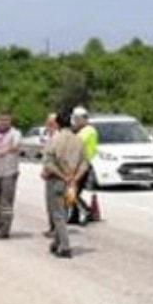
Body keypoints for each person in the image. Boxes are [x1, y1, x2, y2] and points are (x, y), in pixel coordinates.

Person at [42, 110, 88, 258]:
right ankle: (56, 243)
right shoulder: (79, 141)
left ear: (58, 123)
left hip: (57, 181)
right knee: (65, 212)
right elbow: (85, 163)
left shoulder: (54, 140)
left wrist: (63, 176)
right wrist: (74, 178)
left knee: (58, 215)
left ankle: (65, 246)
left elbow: (48, 163)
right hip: (72, 183)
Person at [70, 106, 99, 225]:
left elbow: (75, 143)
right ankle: (74, 215)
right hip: (79, 164)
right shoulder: (83, 131)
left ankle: (85, 211)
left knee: (72, 192)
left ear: (84, 118)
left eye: (77, 119)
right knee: (73, 191)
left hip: (82, 165)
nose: (75, 121)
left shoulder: (88, 130)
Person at [40, 113, 60, 237]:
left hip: (56, 174)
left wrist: (48, 171)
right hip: (48, 173)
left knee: (55, 205)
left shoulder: (58, 137)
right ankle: (52, 227)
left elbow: (57, 158)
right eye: (47, 123)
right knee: (49, 204)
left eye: (50, 123)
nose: (48, 126)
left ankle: (56, 230)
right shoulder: (49, 137)